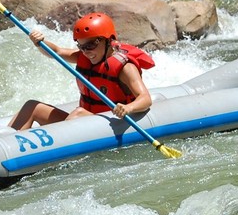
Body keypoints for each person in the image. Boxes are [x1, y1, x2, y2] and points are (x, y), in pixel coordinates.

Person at [8, 12, 155, 130]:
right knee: (32, 106)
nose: (86, 52)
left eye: (91, 45)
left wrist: (128, 108)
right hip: (86, 120)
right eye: (82, 46)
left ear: (108, 40)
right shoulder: (83, 57)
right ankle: (10, 144)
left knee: (79, 113)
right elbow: (57, 52)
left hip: (111, 122)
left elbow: (145, 99)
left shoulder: (125, 67)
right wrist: (39, 43)